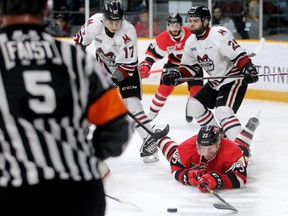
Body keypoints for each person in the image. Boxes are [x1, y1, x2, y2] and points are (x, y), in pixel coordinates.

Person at [0, 0, 132, 215]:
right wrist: (86, 156)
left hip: (14, 192)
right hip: (79, 191)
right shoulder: (75, 58)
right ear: (45, 9)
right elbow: (119, 127)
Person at [73, 0, 162, 163]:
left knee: (131, 103)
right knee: (93, 102)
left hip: (127, 70)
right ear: (104, 19)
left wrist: (113, 80)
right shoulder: (94, 23)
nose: (114, 25)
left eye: (117, 21)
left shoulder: (128, 31)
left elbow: (127, 66)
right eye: (111, 21)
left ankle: (149, 139)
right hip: (104, 68)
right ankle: (80, 141)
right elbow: (79, 42)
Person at [161, 6, 259, 141]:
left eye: (195, 20)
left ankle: (242, 150)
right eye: (190, 20)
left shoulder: (218, 34)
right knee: (194, 106)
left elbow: (238, 55)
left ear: (206, 21)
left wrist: (249, 68)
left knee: (223, 111)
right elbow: (188, 68)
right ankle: (219, 138)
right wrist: (176, 75)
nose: (191, 24)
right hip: (215, 81)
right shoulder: (191, 42)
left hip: (232, 77)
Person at [157, 115, 260, 191]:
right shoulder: (187, 146)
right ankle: (158, 135)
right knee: (172, 154)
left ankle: (249, 129)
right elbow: (175, 166)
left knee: (243, 151)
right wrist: (189, 176)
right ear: (197, 144)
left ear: (219, 144)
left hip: (231, 154)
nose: (206, 152)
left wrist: (218, 180)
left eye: (211, 148)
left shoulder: (232, 152)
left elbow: (240, 178)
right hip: (196, 157)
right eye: (202, 148)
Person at [139, 13, 203, 122]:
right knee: (164, 89)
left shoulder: (192, 34)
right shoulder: (163, 38)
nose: (174, 28)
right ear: (167, 26)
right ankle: (152, 113)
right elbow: (151, 55)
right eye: (172, 25)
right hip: (173, 64)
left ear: (181, 25)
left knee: (196, 92)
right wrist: (147, 65)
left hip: (193, 65)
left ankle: (190, 103)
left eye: (177, 25)